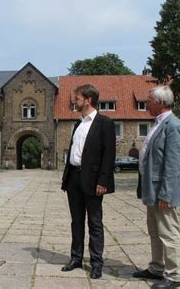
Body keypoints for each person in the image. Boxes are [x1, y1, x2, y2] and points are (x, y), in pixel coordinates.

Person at [61, 83, 115, 279]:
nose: (74, 102)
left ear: (88, 100)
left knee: (95, 222)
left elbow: (109, 156)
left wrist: (103, 181)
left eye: (77, 99)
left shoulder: (105, 123)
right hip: (74, 177)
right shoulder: (78, 123)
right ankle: (76, 258)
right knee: (76, 221)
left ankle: (96, 263)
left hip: (93, 180)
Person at [133, 85, 180, 289]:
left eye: (149, 100)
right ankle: (156, 267)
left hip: (163, 192)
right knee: (155, 232)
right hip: (152, 189)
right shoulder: (158, 123)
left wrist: (167, 194)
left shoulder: (173, 126)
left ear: (160, 103)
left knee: (169, 233)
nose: (146, 103)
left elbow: (174, 164)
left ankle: (173, 276)